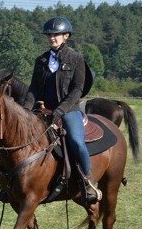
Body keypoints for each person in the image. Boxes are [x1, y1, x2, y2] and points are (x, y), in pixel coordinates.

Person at [22, 16, 101, 204]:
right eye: (49, 34)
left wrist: (60, 110)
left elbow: (77, 89)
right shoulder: (40, 61)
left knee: (76, 141)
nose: (52, 37)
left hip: (68, 110)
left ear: (66, 36)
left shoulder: (76, 59)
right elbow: (33, 88)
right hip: (42, 109)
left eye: (56, 34)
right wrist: (25, 110)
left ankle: (87, 180)